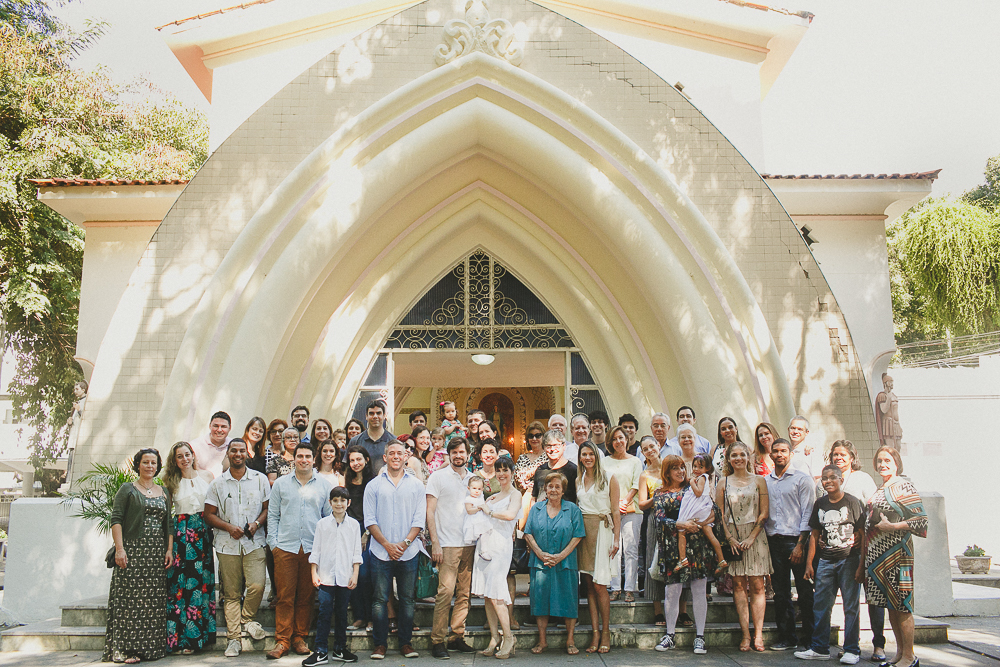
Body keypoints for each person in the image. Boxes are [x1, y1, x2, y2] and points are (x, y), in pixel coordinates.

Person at [104, 448, 174, 664]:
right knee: (130, 601)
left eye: (153, 463)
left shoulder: (164, 492)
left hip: (155, 555)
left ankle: (151, 649)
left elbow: (168, 525)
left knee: (153, 602)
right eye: (145, 462)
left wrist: (169, 550)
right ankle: (128, 650)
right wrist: (120, 549)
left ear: (158, 466)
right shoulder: (127, 489)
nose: (150, 466)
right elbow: (116, 519)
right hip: (133, 552)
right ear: (138, 465)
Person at [859, 446, 927, 667]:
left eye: (887, 460)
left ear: (897, 462)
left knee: (902, 605)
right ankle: (899, 653)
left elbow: (921, 521)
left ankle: (909, 656)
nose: (882, 464)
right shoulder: (881, 487)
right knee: (891, 606)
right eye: (879, 460)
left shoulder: (904, 485)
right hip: (878, 557)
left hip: (898, 554)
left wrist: (893, 526)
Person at [204, 438, 270, 658]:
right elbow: (208, 515)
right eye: (234, 451)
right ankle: (233, 640)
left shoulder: (260, 480)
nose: (238, 454)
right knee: (231, 594)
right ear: (228, 454)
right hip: (227, 544)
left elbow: (268, 509)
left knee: (257, 585)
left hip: (254, 542)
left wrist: (257, 523)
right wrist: (229, 527)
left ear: (247, 454)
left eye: (242, 450)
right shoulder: (218, 483)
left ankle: (247, 619)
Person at [266, 443, 333, 659]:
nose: (304, 460)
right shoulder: (281, 484)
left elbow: (328, 518)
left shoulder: (324, 485)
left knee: (306, 596)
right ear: (293, 458)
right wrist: (273, 545)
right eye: (300, 456)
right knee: (285, 596)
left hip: (312, 549)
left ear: (314, 459)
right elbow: (273, 515)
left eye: (308, 456)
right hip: (285, 547)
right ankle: (282, 640)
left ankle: (299, 637)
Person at [795, 465, 865, 663]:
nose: (828, 481)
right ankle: (820, 647)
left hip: (849, 559)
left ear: (841, 479)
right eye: (825, 478)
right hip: (825, 560)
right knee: (821, 605)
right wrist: (809, 564)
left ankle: (852, 649)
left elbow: (862, 534)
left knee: (851, 606)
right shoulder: (820, 503)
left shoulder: (852, 502)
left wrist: (861, 565)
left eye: (833, 477)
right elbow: (815, 535)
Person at [364, 441, 426, 660]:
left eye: (400, 453)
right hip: (381, 552)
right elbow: (369, 520)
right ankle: (380, 645)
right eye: (392, 453)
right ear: (385, 457)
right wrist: (388, 545)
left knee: (408, 599)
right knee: (380, 599)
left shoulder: (417, 485)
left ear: (405, 457)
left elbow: (419, 519)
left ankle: (405, 643)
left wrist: (405, 544)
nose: (396, 457)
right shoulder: (373, 485)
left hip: (408, 552)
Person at [652, 455, 714, 656]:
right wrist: (681, 525)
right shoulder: (659, 493)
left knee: (698, 589)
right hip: (672, 547)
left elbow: (714, 509)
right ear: (667, 472)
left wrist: (702, 522)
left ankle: (700, 636)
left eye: (682, 467)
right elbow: (660, 519)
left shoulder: (694, 487)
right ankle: (670, 634)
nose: (681, 471)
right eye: (675, 468)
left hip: (697, 545)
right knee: (672, 591)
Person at [828, 440, 882, 660]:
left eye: (842, 454)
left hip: (864, 545)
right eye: (835, 454)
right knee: (849, 600)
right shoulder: (828, 479)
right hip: (840, 550)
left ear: (852, 457)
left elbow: (874, 507)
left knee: (873, 597)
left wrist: (862, 534)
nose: (838, 458)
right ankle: (851, 644)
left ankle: (878, 644)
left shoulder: (862, 478)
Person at [162, 441, 217, 655]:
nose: (185, 459)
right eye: (179, 456)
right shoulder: (170, 482)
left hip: (202, 533)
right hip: (181, 535)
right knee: (180, 587)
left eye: (187, 454)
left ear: (193, 455)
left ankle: (197, 639)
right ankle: (178, 639)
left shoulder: (208, 477)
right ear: (174, 460)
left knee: (200, 584)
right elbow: (168, 517)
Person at [523, 471, 586, 655]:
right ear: (545, 488)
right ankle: (542, 641)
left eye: (557, 486)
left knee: (569, 599)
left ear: (563, 490)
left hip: (565, 562)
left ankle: (570, 640)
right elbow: (527, 533)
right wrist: (540, 554)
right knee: (540, 601)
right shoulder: (536, 509)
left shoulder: (572, 509)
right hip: (540, 562)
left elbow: (578, 535)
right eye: (550, 486)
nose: (553, 489)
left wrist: (561, 556)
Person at [717, 442, 771, 652]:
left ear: (748, 457)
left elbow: (764, 513)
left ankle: (758, 634)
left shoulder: (759, 481)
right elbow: (719, 514)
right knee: (738, 586)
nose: (738, 458)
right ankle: (745, 634)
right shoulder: (723, 482)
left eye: (742, 455)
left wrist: (752, 537)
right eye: (734, 455)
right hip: (733, 537)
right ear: (728, 459)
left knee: (758, 585)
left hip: (755, 537)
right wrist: (729, 538)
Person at [425, 437, 477, 658]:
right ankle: (438, 640)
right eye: (454, 452)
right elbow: (429, 511)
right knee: (445, 592)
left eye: (462, 452)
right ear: (449, 454)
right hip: (447, 544)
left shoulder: (474, 479)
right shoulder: (438, 477)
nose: (458, 455)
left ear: (468, 454)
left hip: (469, 543)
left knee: (464, 593)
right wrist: (434, 542)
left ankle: (457, 635)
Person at [764, 438, 816, 651]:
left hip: (796, 541)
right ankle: (787, 637)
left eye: (783, 451)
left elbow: (808, 515)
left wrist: (800, 545)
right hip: (773, 541)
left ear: (791, 454)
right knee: (781, 592)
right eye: (775, 451)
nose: (779, 454)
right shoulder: (765, 481)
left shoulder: (802, 480)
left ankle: (810, 638)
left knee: (804, 591)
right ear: (770, 455)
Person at [303, 486, 363, 666]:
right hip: (326, 576)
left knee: (342, 613)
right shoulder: (322, 524)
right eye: (335, 501)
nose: (339, 504)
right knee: (324, 612)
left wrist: (355, 574)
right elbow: (316, 550)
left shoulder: (354, 525)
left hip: (345, 576)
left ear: (348, 503)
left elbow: (356, 552)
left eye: (342, 501)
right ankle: (320, 651)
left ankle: (339, 648)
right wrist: (314, 572)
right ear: (330, 503)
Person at [470, 456, 523, 659]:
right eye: (498, 470)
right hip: (485, 544)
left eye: (505, 470)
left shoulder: (515, 494)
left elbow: (510, 515)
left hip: (501, 546)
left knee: (497, 592)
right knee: (486, 593)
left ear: (512, 472)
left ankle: (508, 636)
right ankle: (494, 637)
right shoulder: (492, 496)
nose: (501, 474)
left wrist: (489, 511)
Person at [577, 443, 620, 654]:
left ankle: (605, 632)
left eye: (590, 453)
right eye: (583, 454)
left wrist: (617, 539)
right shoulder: (578, 478)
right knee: (588, 585)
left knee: (600, 585)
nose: (587, 457)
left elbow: (615, 510)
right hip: (584, 533)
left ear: (597, 455)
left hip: (603, 531)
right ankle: (594, 632)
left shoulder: (609, 477)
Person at [602, 425, 642, 602]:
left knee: (631, 549)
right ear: (610, 442)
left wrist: (624, 501)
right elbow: (602, 483)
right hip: (611, 510)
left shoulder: (635, 461)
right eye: (615, 439)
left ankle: (630, 589)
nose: (618, 441)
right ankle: (616, 587)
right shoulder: (605, 461)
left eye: (621, 438)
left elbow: (636, 484)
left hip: (631, 509)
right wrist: (615, 504)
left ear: (627, 439)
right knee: (614, 549)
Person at [676, 454, 727, 574]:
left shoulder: (702, 478)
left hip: (698, 508)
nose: (696, 470)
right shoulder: (702, 477)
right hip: (703, 507)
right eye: (694, 466)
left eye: (700, 467)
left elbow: (698, 493)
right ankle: (721, 559)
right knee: (710, 534)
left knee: (681, 531)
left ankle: (682, 558)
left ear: (707, 469)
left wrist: (692, 482)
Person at [344, 445, 375, 631]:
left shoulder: (373, 482)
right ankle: (359, 617)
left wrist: (366, 533)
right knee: (351, 575)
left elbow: (376, 510)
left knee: (365, 575)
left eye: (359, 459)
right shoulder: (346, 481)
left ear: (366, 460)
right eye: (352, 460)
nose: (356, 463)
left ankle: (371, 617)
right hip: (350, 531)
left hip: (369, 531)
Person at [636, 436, 665, 623]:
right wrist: (657, 497)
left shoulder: (671, 467)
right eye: (645, 449)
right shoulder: (644, 475)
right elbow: (641, 504)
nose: (649, 451)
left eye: (652, 446)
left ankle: (682, 609)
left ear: (659, 446)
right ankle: (657, 610)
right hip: (653, 519)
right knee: (652, 561)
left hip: (674, 518)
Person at [531, 430, 577, 504]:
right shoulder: (540, 470)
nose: (552, 449)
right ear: (543, 448)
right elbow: (534, 497)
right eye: (548, 446)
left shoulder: (573, 470)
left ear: (564, 446)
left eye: (556, 445)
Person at [349, 400, 395, 473]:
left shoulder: (394, 441)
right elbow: (347, 468)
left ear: (384, 416)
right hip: (362, 484)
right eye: (371, 413)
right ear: (366, 416)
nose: (375, 416)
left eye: (378, 413)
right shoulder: (355, 441)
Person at [190, 410, 233, 478]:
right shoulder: (195, 445)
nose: (219, 430)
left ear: (229, 428)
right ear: (210, 426)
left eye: (223, 426)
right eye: (216, 426)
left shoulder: (234, 446)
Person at [464, 477, 498, 560]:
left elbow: (483, 504)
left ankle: (484, 550)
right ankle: (483, 551)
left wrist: (488, 500)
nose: (476, 491)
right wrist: (479, 508)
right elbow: (469, 511)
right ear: (469, 488)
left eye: (479, 489)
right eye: (474, 488)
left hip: (482, 519)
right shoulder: (469, 499)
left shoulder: (480, 497)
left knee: (486, 534)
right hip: (474, 520)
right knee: (483, 532)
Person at [513, 421, 546, 494]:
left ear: (543, 437)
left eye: (538, 435)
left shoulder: (548, 457)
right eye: (531, 436)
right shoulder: (522, 458)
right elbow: (518, 481)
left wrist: (527, 475)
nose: (534, 439)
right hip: (524, 495)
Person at [788, 415, 823, 480]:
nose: (795, 432)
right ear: (788, 429)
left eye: (800, 429)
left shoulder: (812, 452)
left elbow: (818, 479)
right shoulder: (784, 452)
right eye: (793, 428)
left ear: (806, 432)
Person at [875, 373, 902, 449]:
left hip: (896, 424)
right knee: (891, 448)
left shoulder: (893, 395)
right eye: (890, 382)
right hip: (888, 424)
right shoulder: (882, 395)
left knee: (898, 447)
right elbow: (883, 410)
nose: (891, 384)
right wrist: (888, 399)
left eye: (892, 382)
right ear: (885, 383)